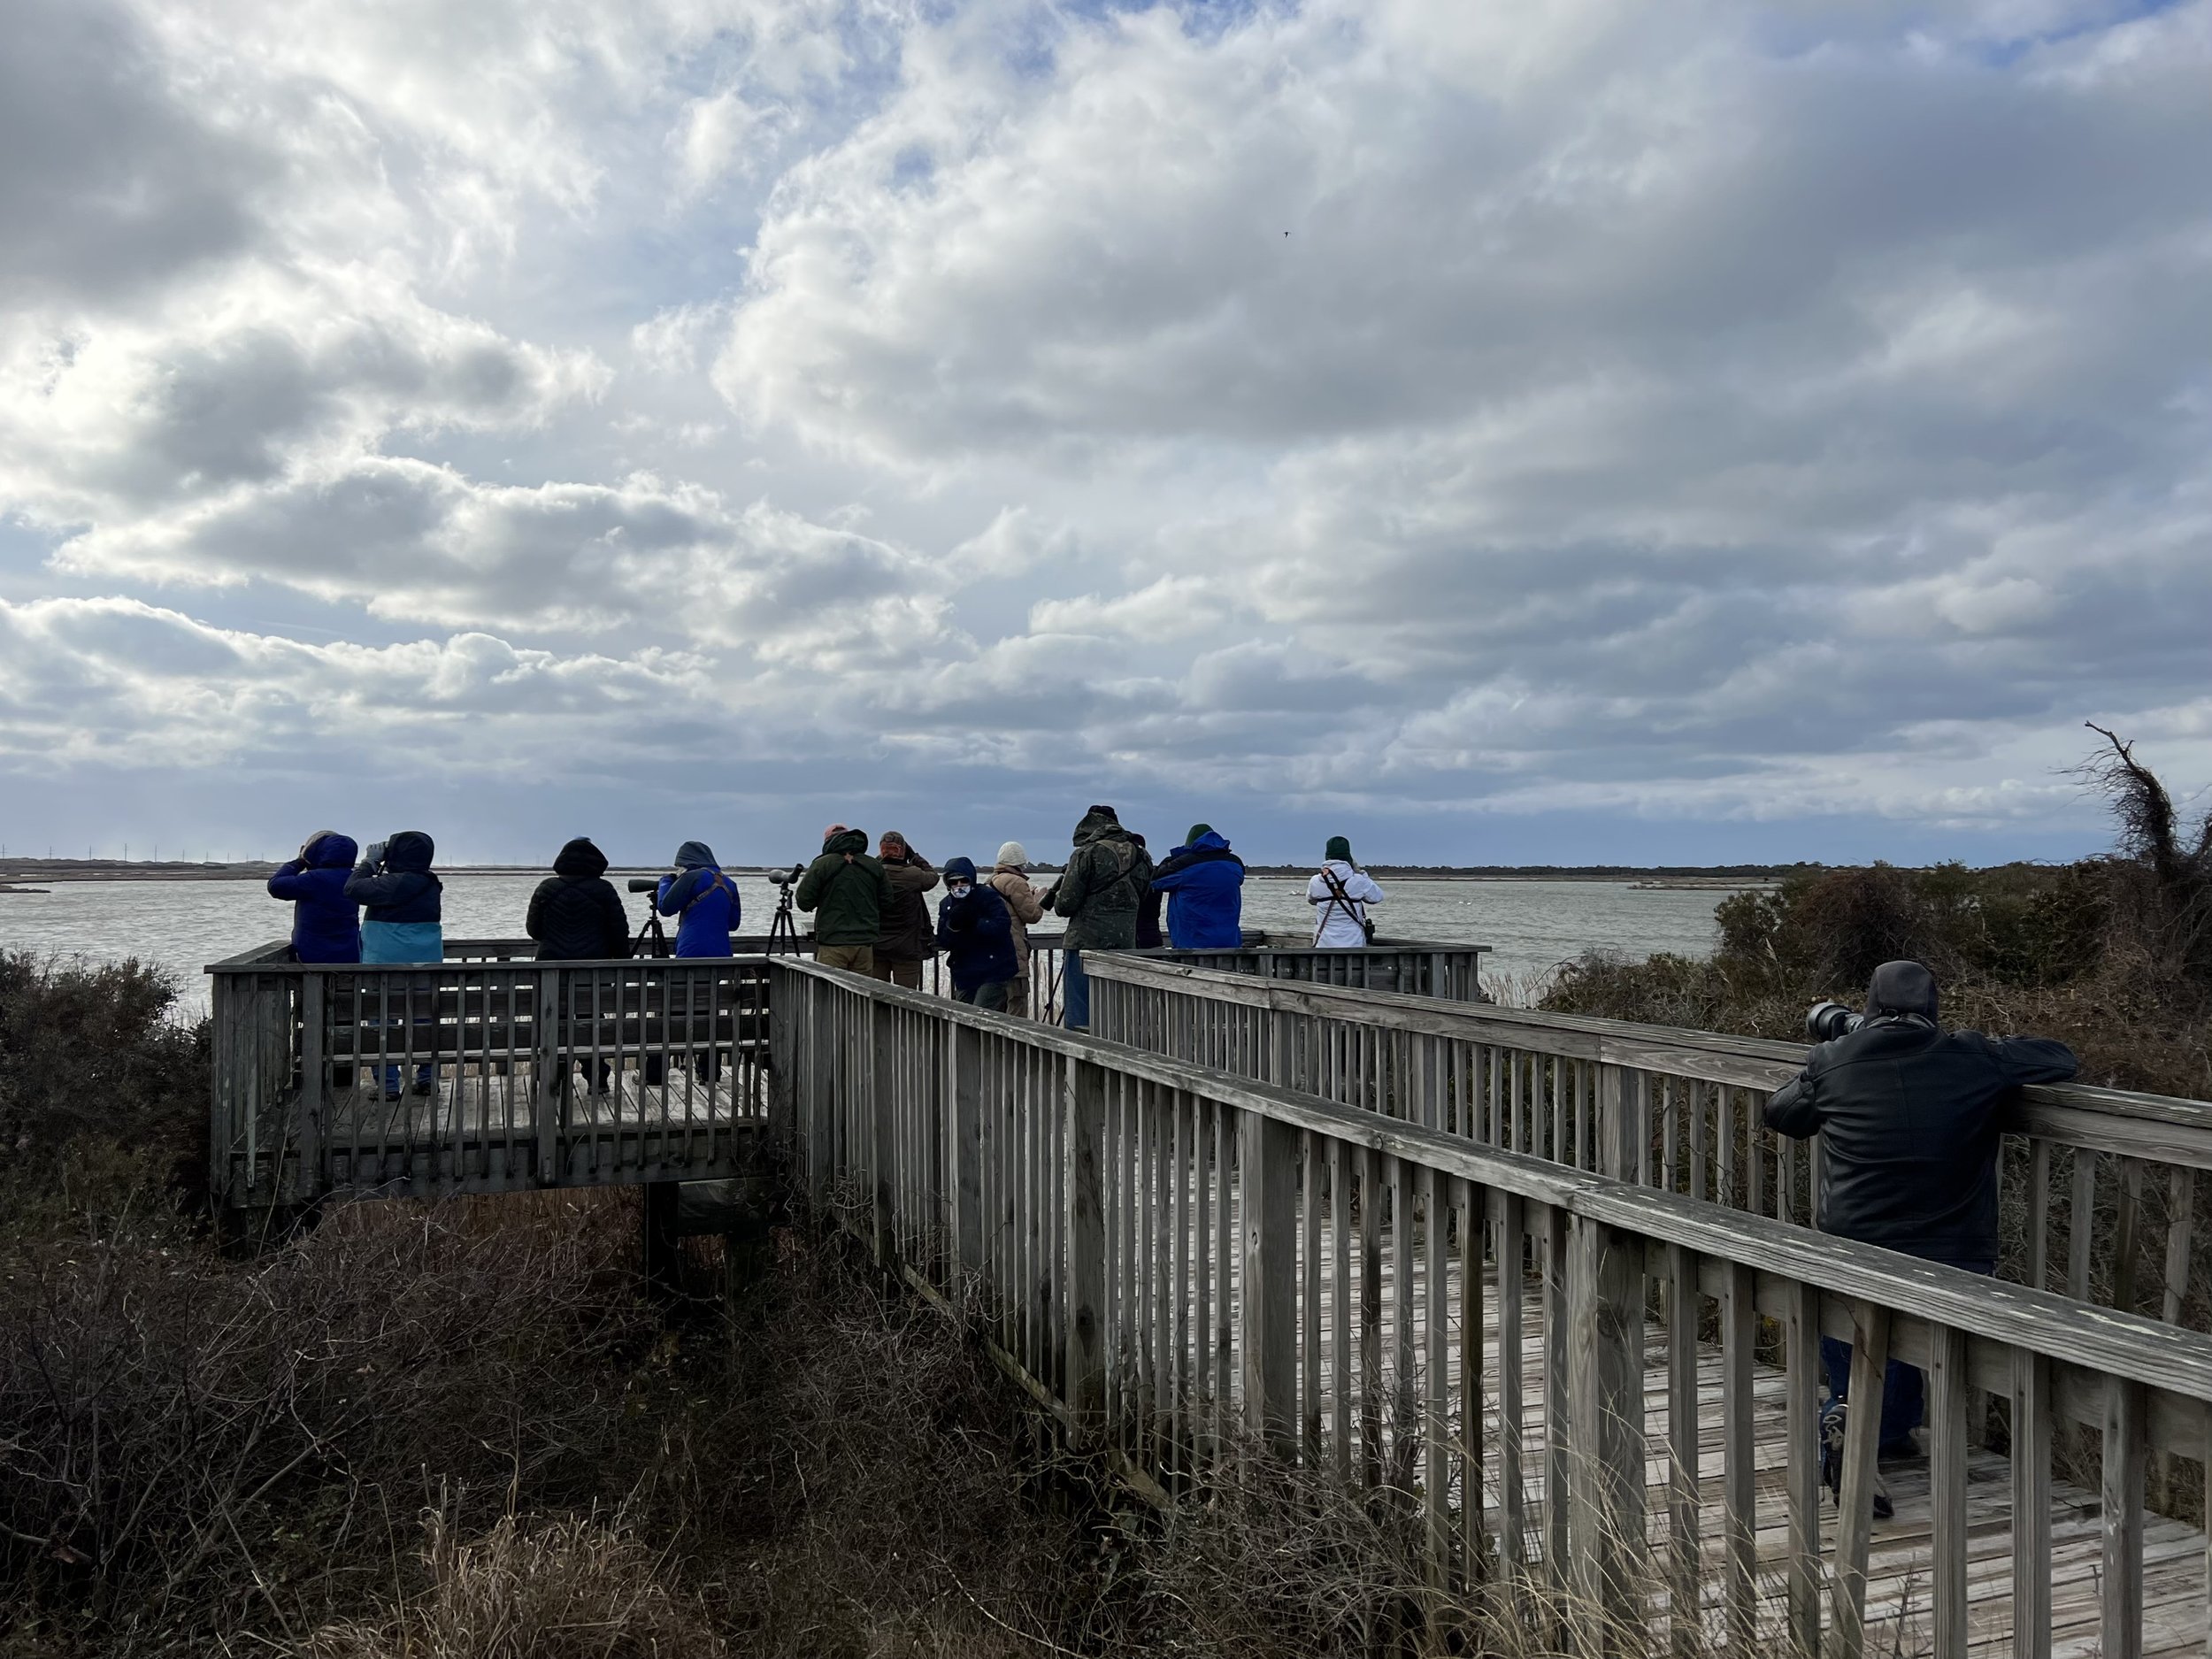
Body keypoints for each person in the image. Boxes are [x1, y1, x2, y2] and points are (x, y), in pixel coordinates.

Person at [1764, 959, 2078, 1516]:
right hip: (1954, 1250)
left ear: (1868, 1007)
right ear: (1934, 1008)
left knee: (1855, 1343)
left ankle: (1851, 1421)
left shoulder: (1833, 1060)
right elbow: (2061, 1057)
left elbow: (1783, 1114)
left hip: (1855, 1244)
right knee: (1928, 1343)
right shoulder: (1973, 1058)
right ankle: (1892, 1434)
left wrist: (1842, 1044)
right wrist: (1980, 1050)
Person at [344, 831, 443, 1099]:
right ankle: (427, 1080)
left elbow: (353, 889)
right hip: (427, 964)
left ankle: (388, 1086)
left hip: (383, 964)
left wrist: (370, 862)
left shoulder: (397, 883)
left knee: (381, 1023)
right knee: (424, 1020)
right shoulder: (430, 883)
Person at [527, 837, 630, 1094]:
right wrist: (621, 961)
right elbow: (619, 932)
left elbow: (534, 930)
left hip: (552, 973)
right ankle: (597, 1078)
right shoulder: (604, 890)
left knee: (554, 1024)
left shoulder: (546, 888)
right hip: (592, 974)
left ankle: (554, 1077)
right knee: (591, 1024)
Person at [1045, 804, 1152, 1030]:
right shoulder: (1141, 854)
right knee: (1119, 1011)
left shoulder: (1087, 853)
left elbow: (1065, 906)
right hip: (1126, 945)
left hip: (1084, 944)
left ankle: (1079, 1058)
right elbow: (1144, 897)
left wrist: (1054, 897)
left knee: (1081, 1014)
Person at [796, 825, 895, 974]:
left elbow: (804, 902)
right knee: (861, 992)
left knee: (829, 991)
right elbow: (887, 902)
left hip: (833, 941)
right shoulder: (873, 865)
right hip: (865, 943)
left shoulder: (822, 864)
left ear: (828, 841)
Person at [936, 856, 1019, 1009]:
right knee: (963, 1017)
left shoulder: (988, 896)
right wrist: (953, 926)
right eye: (953, 882)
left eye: (963, 880)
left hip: (994, 970)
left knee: (981, 1014)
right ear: (948, 884)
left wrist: (975, 922)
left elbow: (1002, 926)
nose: (959, 885)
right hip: (964, 972)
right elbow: (943, 940)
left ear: (971, 879)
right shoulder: (946, 904)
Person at [267, 830, 361, 964]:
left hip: (313, 953)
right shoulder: (355, 878)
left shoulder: (314, 879)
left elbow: (276, 886)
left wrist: (299, 861)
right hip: (351, 952)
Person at [1150, 823, 1246, 949]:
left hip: (1191, 943)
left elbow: (1156, 880)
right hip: (1230, 943)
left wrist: (1178, 855)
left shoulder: (1187, 865)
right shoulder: (1235, 864)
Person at [871, 831, 940, 989]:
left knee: (877, 994)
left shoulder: (873, 873)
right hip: (907, 948)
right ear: (902, 852)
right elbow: (933, 877)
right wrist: (914, 856)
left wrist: (880, 860)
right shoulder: (913, 874)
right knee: (908, 998)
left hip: (877, 945)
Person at [987, 841, 1047, 1018]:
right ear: (1021, 862)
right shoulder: (1016, 881)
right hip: (1014, 952)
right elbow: (1032, 915)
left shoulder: (989, 881)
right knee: (1017, 1002)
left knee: (997, 1004)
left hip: (993, 954)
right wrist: (1039, 898)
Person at [655, 841, 741, 957]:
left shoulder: (691, 877)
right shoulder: (730, 884)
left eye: (679, 866)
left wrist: (665, 882)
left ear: (686, 863)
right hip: (722, 954)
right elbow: (733, 924)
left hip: (690, 952)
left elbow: (665, 908)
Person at [1308, 835, 1383, 947]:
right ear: (1349, 857)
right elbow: (1377, 897)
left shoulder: (1315, 881)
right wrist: (1361, 873)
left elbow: (1311, 900)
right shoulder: (1357, 880)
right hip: (1353, 945)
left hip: (1324, 945)